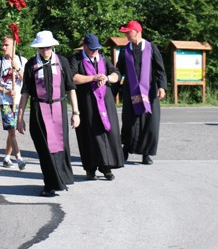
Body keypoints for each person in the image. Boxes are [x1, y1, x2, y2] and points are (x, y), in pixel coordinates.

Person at [17, 31, 80, 197]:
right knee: (45, 149)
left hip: (59, 108)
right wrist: (20, 117)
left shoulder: (62, 62)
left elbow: (71, 88)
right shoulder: (31, 64)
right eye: (41, 47)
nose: (45, 50)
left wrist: (75, 112)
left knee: (59, 147)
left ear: (52, 46)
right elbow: (25, 93)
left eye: (47, 47)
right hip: (39, 111)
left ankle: (59, 180)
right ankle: (50, 182)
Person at [70, 34, 124, 180]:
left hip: (105, 103)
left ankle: (107, 167)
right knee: (89, 136)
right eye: (92, 49)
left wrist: (107, 78)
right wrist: (93, 78)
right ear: (85, 47)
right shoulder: (76, 60)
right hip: (87, 104)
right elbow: (72, 77)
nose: (95, 52)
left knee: (107, 134)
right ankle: (90, 168)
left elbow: (116, 73)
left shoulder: (103, 59)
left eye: (97, 49)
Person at [116, 20, 167, 165]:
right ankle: (126, 148)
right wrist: (111, 89)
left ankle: (146, 153)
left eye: (128, 32)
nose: (126, 34)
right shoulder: (125, 50)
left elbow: (160, 69)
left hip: (150, 92)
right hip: (130, 92)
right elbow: (119, 71)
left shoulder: (151, 48)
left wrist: (162, 86)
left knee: (149, 123)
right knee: (129, 122)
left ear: (137, 32)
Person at [0, 37, 28, 170]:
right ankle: (19, 159)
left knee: (13, 132)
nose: (3, 47)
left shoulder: (23, 61)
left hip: (19, 101)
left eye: (6, 45)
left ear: (14, 46)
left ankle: (6, 157)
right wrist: (5, 91)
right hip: (5, 102)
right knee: (12, 130)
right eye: (3, 45)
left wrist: (17, 68)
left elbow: (27, 81)